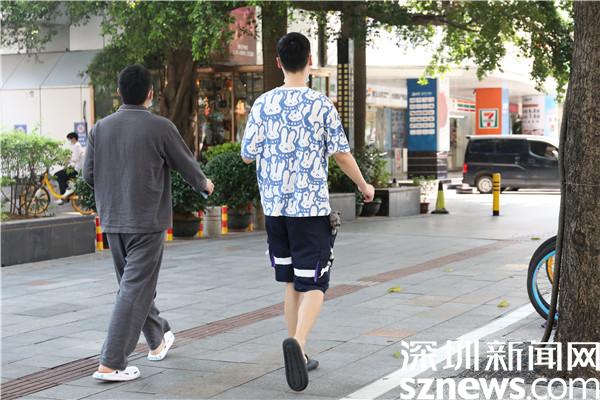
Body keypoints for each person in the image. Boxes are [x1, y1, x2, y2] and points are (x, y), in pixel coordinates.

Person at [240, 32, 375, 392]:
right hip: (310, 208)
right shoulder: (321, 105)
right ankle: (297, 343)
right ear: (310, 61)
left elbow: (247, 155)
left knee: (291, 281)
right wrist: (364, 185)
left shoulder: (262, 104)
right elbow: (341, 154)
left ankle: (297, 351)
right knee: (315, 282)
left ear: (278, 63)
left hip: (275, 210)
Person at [83, 64, 214, 382]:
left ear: (119, 92)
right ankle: (111, 363)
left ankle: (157, 339)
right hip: (146, 220)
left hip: (113, 221)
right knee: (134, 288)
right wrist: (204, 184)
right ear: (151, 94)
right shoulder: (160, 127)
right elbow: (185, 163)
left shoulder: (100, 128)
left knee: (133, 287)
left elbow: (88, 174)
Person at [55, 132, 85, 205]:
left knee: (57, 175)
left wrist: (66, 159)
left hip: (74, 169)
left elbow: (75, 159)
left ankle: (65, 196)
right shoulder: (77, 146)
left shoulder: (77, 146)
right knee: (60, 175)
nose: (70, 141)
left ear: (73, 138)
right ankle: (67, 192)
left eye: (70, 139)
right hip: (74, 168)